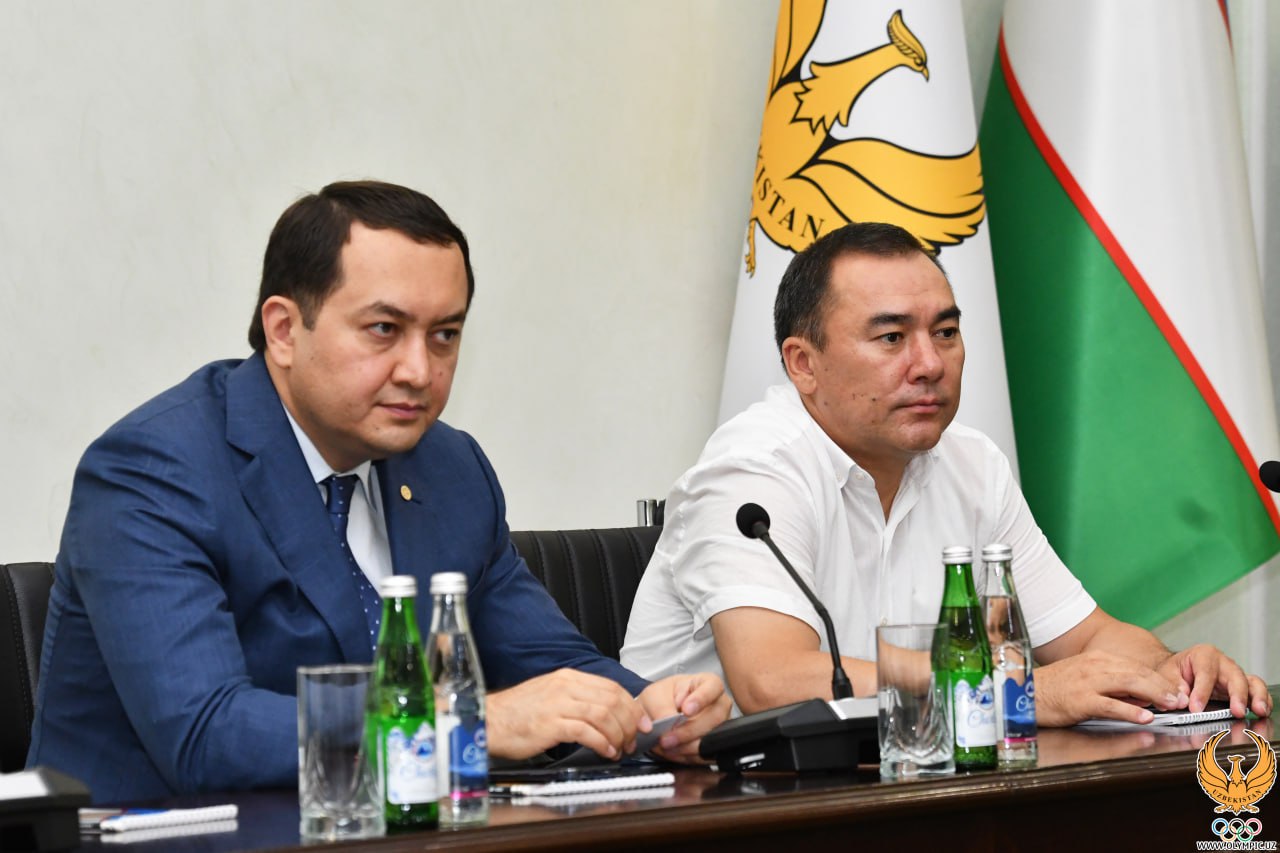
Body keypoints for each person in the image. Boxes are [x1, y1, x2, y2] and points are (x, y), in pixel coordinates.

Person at [27, 180, 730, 802]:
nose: (419, 370)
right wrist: (469, 723)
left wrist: (654, 710)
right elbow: (207, 733)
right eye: (384, 330)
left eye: (445, 335)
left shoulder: (450, 468)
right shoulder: (154, 469)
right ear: (283, 330)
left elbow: (550, 664)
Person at [621, 221, 1272, 727]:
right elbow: (774, 680)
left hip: (903, 786)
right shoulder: (753, 472)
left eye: (946, 332)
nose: (930, 363)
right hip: (717, 808)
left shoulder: (971, 463)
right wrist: (1012, 690)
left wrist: (1174, 670)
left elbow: (1089, 637)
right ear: (803, 363)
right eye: (891, 338)